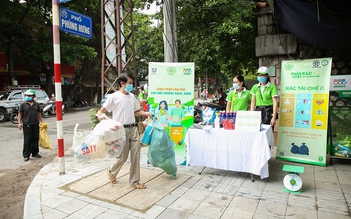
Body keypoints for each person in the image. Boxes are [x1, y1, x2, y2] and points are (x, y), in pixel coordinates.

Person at [97, 73, 151, 189]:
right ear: (122, 83)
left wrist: (147, 113)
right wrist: (101, 117)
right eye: (130, 83)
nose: (131, 86)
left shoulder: (132, 97)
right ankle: (111, 172)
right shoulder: (114, 97)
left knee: (136, 155)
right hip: (121, 131)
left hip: (133, 129)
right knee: (123, 157)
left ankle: (135, 181)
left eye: (132, 83)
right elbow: (101, 111)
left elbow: (136, 111)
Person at [18, 89, 43, 162]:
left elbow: (39, 113)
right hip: (27, 124)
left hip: (35, 124)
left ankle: (35, 153)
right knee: (27, 140)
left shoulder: (36, 104)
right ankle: (26, 155)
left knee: (35, 139)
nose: (27, 97)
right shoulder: (23, 104)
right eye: (26, 95)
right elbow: (20, 114)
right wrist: (19, 123)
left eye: (29, 96)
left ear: (33, 96)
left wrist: (41, 121)